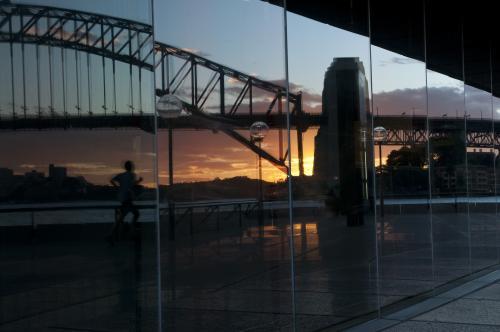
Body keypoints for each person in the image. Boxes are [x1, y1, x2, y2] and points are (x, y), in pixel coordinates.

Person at [108, 160, 143, 245]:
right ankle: (128, 232)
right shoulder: (132, 175)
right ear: (131, 167)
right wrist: (139, 181)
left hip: (123, 198)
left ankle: (111, 234)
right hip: (127, 198)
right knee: (134, 214)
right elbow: (132, 185)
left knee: (122, 217)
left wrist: (117, 187)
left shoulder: (121, 175)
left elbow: (112, 180)